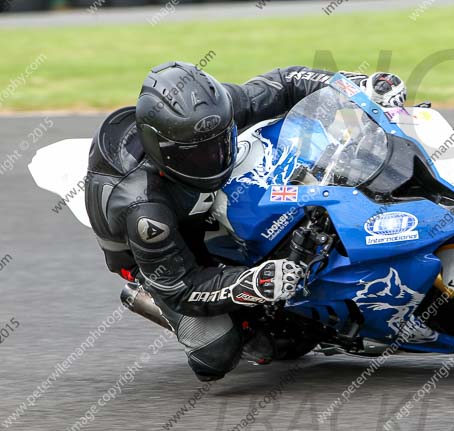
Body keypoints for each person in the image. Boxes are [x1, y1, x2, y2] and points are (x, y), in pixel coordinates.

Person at [83, 62, 407, 381]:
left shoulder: (208, 117)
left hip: (191, 199)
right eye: (199, 154)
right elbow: (183, 288)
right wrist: (249, 285)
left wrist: (357, 87)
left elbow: (286, 82)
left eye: (221, 141)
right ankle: (149, 295)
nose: (215, 156)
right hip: (163, 260)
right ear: (162, 150)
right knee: (217, 353)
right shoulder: (144, 211)